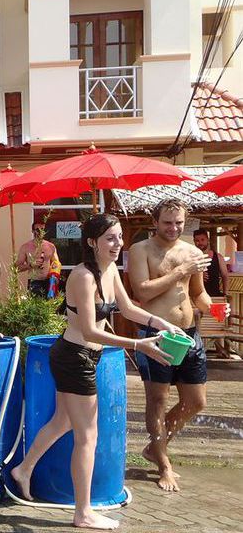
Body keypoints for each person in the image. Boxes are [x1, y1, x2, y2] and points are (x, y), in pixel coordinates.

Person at [10, 214, 180, 530]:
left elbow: (128, 309)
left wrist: (163, 323)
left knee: (61, 421)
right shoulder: (83, 278)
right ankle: (83, 512)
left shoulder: (110, 270)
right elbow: (89, 330)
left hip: (84, 356)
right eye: (110, 238)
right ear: (92, 242)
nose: (118, 244)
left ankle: (24, 469)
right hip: (74, 357)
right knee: (88, 436)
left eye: (119, 237)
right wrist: (138, 345)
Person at [127, 199, 220, 492]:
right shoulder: (140, 249)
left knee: (196, 401)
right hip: (157, 334)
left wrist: (217, 308)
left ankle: (156, 447)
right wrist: (181, 271)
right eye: (167, 222)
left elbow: (198, 294)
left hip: (189, 334)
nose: (173, 228)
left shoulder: (192, 252)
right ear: (155, 221)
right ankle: (164, 463)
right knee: (157, 400)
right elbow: (142, 291)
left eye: (179, 222)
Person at [17, 221, 59, 297]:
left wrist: (54, 274)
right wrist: (30, 265)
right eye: (37, 229)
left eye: (42, 229)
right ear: (33, 231)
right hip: (34, 282)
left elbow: (56, 263)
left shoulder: (51, 246)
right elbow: (17, 267)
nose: (40, 232)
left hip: (49, 282)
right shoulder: (26, 247)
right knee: (35, 307)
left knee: (49, 307)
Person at [192, 228, 229, 298]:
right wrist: (198, 276)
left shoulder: (218, 257)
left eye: (202, 240)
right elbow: (185, 276)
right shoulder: (190, 258)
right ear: (194, 241)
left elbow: (225, 276)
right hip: (196, 297)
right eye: (197, 240)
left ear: (207, 240)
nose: (200, 243)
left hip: (215, 295)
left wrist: (225, 293)